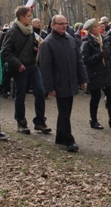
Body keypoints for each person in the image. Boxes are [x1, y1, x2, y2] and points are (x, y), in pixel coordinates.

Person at [39, 15, 88, 152]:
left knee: (66, 111)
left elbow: (79, 61)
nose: (64, 26)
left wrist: (83, 79)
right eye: (60, 23)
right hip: (59, 82)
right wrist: (49, 87)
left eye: (65, 23)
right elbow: (45, 67)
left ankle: (60, 136)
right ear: (53, 25)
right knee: (65, 112)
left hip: (70, 81)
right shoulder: (48, 43)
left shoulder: (70, 40)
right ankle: (69, 140)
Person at [1, 6, 51, 135]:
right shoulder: (12, 32)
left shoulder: (29, 31)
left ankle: (40, 121)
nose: (31, 18)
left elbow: (30, 47)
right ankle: (21, 122)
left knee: (40, 92)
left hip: (32, 66)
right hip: (20, 68)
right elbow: (5, 52)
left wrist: (35, 48)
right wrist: (17, 64)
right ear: (21, 17)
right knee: (20, 95)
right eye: (29, 16)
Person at [81, 18, 111, 129]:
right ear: (91, 30)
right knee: (95, 97)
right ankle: (93, 120)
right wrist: (100, 55)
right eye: (96, 26)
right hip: (94, 74)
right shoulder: (87, 42)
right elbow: (86, 60)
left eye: (98, 26)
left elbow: (108, 55)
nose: (99, 28)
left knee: (110, 95)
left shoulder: (104, 39)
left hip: (106, 72)